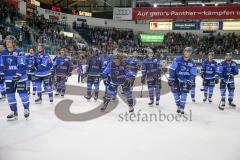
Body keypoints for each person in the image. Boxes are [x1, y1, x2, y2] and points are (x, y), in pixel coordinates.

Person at [0, 35, 29, 120]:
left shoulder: (20, 52)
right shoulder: (3, 53)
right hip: (8, 78)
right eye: (6, 41)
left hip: (20, 78)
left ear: (14, 43)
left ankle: (26, 109)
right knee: (10, 95)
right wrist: (1, 74)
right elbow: (1, 65)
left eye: (9, 41)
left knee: (23, 95)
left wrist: (19, 74)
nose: (7, 43)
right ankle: (14, 112)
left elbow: (22, 65)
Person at [168, 47, 197, 114]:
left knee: (184, 94)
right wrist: (171, 78)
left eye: (188, 51)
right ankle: (178, 105)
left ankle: (182, 107)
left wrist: (190, 81)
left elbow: (193, 73)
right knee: (175, 94)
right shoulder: (177, 59)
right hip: (176, 79)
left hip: (185, 80)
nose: (186, 52)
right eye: (185, 51)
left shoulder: (192, 63)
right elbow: (172, 69)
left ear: (190, 53)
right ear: (184, 51)